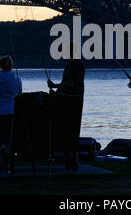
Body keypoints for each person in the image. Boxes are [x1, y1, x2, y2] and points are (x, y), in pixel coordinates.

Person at [47, 42, 85, 170]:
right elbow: (66, 84)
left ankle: (74, 158)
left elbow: (70, 84)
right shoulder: (69, 65)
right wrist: (56, 93)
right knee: (65, 128)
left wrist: (55, 87)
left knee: (72, 129)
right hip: (66, 100)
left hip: (74, 101)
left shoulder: (77, 65)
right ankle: (68, 156)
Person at [0, 55, 22, 165]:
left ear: (1, 65)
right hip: (11, 110)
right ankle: (9, 156)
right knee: (9, 135)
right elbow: (19, 94)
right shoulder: (17, 79)